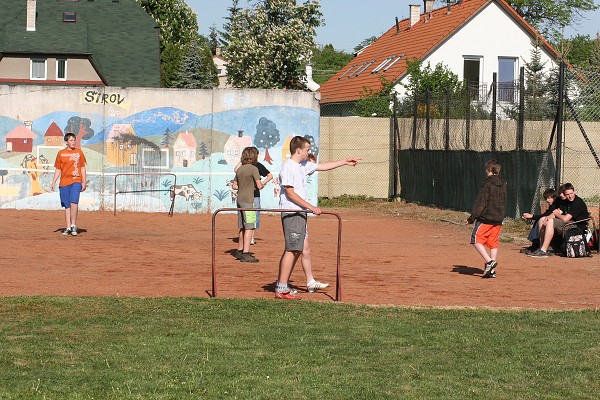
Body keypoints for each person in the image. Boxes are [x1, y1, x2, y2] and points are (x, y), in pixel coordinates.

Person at [275, 136, 361, 300]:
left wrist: (344, 161)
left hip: (300, 213)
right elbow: (290, 193)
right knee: (292, 249)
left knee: (299, 249)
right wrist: (311, 207)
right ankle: (281, 288)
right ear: (298, 150)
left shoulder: (302, 166)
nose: (309, 152)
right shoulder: (288, 167)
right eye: (307, 149)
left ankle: (285, 286)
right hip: (293, 213)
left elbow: (322, 166)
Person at [466, 160, 507, 278]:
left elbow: (481, 202)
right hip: (498, 218)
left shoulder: (487, 183)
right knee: (493, 243)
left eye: (486, 169)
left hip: (486, 218)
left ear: (490, 170)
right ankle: (491, 271)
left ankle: (489, 262)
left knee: (475, 239)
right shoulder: (503, 183)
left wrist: (472, 218)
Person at [528, 183, 589, 258]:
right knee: (542, 220)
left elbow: (565, 218)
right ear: (564, 194)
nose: (570, 196)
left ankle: (543, 251)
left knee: (551, 222)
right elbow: (558, 212)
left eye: (571, 193)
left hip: (577, 226)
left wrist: (555, 215)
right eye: (567, 194)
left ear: (574, 191)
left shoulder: (578, 202)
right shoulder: (565, 201)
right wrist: (547, 218)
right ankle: (542, 248)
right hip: (569, 223)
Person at [51, 132, 87, 236]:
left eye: (74, 140)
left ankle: (73, 225)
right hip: (64, 182)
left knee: (74, 202)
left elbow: (82, 167)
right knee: (67, 205)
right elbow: (58, 169)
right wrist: (53, 181)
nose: (73, 142)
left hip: (76, 180)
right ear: (66, 142)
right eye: (71, 140)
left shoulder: (79, 152)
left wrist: (84, 181)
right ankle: (67, 227)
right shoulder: (61, 153)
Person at [232, 147, 263, 263]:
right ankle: (246, 253)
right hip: (249, 201)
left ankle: (239, 250)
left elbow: (234, 186)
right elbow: (259, 185)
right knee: (249, 226)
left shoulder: (240, 169)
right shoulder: (254, 169)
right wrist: (257, 186)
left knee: (242, 226)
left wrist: (244, 187)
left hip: (239, 199)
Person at [234, 157, 273, 245]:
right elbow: (236, 170)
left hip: (254, 196)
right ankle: (247, 241)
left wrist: (262, 183)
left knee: (253, 217)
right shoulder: (243, 167)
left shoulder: (257, 166)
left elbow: (270, 175)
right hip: (246, 197)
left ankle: (250, 237)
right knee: (246, 219)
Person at [521, 187, 562, 254]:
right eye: (546, 198)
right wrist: (531, 217)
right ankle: (535, 245)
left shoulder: (556, 203)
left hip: (556, 222)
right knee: (538, 221)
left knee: (540, 220)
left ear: (554, 197)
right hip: (552, 220)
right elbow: (546, 214)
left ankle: (536, 246)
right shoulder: (552, 204)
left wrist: (531, 216)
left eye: (549, 198)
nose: (547, 200)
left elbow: (546, 215)